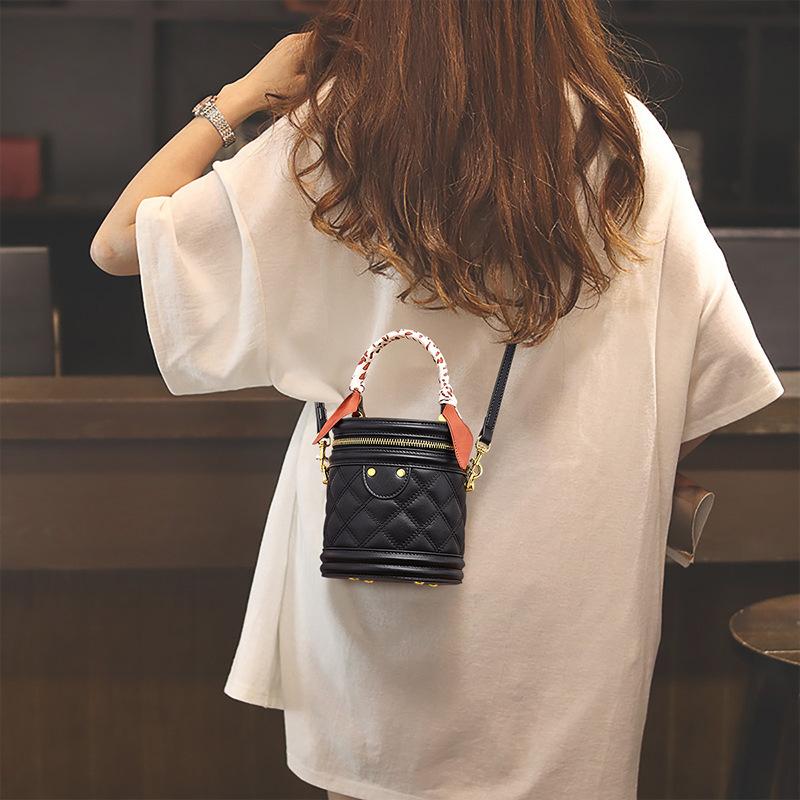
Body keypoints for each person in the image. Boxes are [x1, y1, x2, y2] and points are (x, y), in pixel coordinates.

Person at [90, 2, 784, 798]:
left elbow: (118, 244)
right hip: (569, 606)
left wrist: (241, 96)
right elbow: (710, 381)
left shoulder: (344, 130)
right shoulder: (622, 139)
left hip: (375, 559)